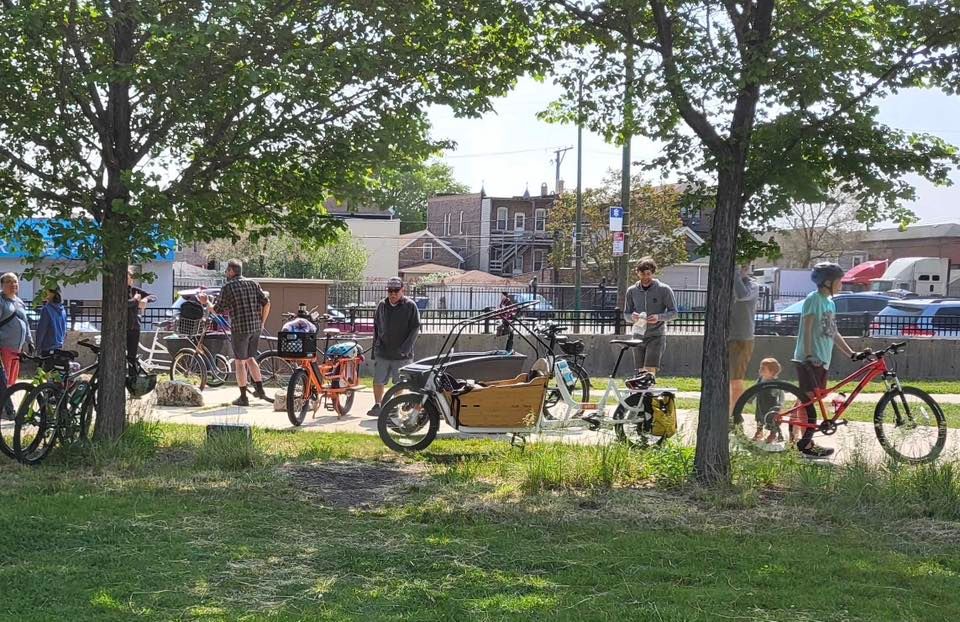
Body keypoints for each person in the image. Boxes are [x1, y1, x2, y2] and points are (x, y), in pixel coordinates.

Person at [792, 262, 863, 458]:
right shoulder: (813, 299)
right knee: (809, 401)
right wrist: (807, 355)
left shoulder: (830, 303)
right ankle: (806, 444)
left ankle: (794, 433)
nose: (842, 284)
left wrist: (851, 353)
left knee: (808, 399)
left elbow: (832, 332)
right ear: (828, 282)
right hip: (809, 358)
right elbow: (806, 328)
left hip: (822, 359)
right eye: (840, 281)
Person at [198, 259, 272, 406]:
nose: (226, 273)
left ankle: (243, 397)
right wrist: (262, 322)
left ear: (231, 271)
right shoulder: (253, 283)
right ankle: (260, 390)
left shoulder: (228, 286)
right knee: (251, 358)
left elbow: (218, 310)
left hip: (240, 329)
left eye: (227, 271)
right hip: (256, 327)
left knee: (239, 362)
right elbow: (267, 303)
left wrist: (206, 302)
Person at [367, 277, 421, 417]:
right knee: (378, 380)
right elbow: (377, 327)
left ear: (402, 290)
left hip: (402, 354)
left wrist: (406, 349)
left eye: (396, 290)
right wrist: (375, 349)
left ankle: (396, 407)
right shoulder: (382, 305)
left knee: (399, 383)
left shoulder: (410, 306)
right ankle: (378, 405)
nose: (393, 294)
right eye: (390, 290)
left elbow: (415, 328)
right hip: (383, 351)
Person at [623, 257, 678, 375]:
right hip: (638, 335)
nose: (645, 277)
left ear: (653, 273)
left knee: (649, 370)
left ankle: (649, 391)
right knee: (640, 372)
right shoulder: (632, 291)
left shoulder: (664, 290)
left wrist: (659, 317)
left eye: (648, 274)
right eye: (642, 274)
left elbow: (674, 313)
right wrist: (632, 317)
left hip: (656, 335)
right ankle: (641, 393)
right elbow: (626, 314)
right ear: (637, 273)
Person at [729, 264, 760, 411]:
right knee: (725, 381)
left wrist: (734, 273)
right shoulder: (726, 283)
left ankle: (735, 415)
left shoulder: (752, 285)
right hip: (725, 337)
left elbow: (741, 295)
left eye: (744, 266)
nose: (742, 269)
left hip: (743, 338)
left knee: (736, 379)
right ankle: (727, 412)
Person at [0, 272, 33, 386]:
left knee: (11, 382)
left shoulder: (20, 302)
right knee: (3, 382)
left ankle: (7, 401)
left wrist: (30, 341)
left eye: (15, 281)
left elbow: (26, 323)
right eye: (8, 281)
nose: (13, 284)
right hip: (3, 347)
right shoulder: (1, 301)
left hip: (17, 350)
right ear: (2, 285)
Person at [753, 357, 785, 446]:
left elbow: (781, 394)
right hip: (760, 404)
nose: (760, 370)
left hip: (771, 405)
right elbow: (753, 390)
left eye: (763, 369)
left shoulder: (775, 383)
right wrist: (751, 398)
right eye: (760, 368)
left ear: (772, 372)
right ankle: (759, 432)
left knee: (772, 421)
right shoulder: (760, 380)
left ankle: (773, 434)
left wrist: (781, 406)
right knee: (759, 419)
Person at [127, 267, 155, 368]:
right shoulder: (118, 292)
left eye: (129, 278)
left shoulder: (135, 291)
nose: (128, 281)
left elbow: (153, 296)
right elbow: (124, 304)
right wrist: (135, 300)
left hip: (134, 327)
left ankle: (132, 377)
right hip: (122, 327)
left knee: (132, 356)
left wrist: (145, 300)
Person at [36, 285, 67, 359]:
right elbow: (65, 330)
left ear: (52, 294)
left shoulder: (46, 309)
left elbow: (41, 330)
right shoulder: (63, 310)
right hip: (59, 346)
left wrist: (38, 347)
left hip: (47, 346)